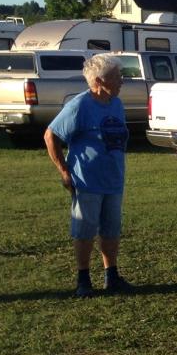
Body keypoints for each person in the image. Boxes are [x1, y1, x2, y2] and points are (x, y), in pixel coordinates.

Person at [44, 53, 133, 298]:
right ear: (99, 80)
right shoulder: (80, 105)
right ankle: (83, 279)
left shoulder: (116, 103)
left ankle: (111, 276)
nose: (122, 81)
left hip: (113, 179)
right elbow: (50, 135)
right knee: (85, 230)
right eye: (117, 77)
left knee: (111, 229)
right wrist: (64, 171)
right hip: (87, 180)